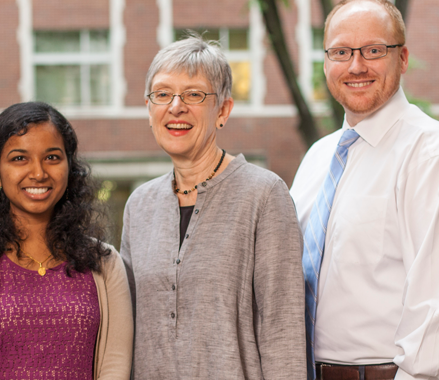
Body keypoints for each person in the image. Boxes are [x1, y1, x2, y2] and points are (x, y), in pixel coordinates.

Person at [289, 1, 439, 379]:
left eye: (374, 51)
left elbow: (437, 314)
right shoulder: (318, 157)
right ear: (326, 61)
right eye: (341, 52)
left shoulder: (434, 155)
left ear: (403, 57)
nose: (356, 66)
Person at [121, 36, 306, 378]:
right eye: (162, 94)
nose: (176, 107)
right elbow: (130, 328)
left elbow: (284, 330)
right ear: (149, 110)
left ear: (222, 110)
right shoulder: (139, 205)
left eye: (194, 94)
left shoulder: (264, 194)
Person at [0, 102, 133, 379]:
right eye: (19, 158)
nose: (38, 173)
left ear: (69, 166)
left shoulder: (105, 263)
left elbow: (114, 371)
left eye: (52, 158)